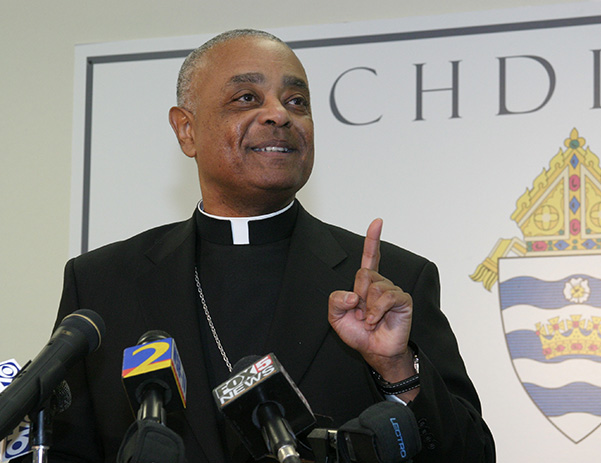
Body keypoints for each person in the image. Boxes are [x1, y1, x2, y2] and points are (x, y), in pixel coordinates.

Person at [42, 29, 495, 462]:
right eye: (246, 99)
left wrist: (399, 371)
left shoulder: (392, 281)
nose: (279, 114)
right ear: (186, 130)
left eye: (297, 101)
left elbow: (472, 457)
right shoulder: (102, 285)